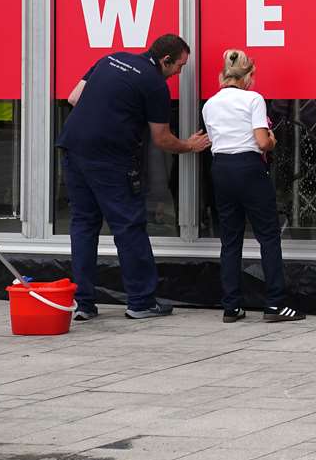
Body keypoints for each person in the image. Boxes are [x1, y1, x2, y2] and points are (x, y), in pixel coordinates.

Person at [57, 33, 209, 321]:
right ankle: (140, 301)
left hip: (73, 148)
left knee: (83, 225)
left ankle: (83, 303)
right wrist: (190, 145)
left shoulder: (112, 58)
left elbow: (73, 97)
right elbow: (162, 139)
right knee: (128, 225)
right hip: (110, 158)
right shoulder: (153, 85)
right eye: (180, 66)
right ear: (165, 60)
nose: (179, 73)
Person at [202, 49, 304, 323]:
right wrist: (272, 140)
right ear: (248, 76)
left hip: (221, 168)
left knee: (230, 239)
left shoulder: (209, 104)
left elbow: (215, 140)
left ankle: (231, 306)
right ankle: (274, 304)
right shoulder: (253, 99)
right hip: (249, 167)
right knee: (268, 236)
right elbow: (261, 142)